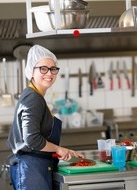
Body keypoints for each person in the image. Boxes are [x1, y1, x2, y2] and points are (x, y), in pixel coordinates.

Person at [7, 45, 83, 190]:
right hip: (31, 170)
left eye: (53, 69)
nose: (49, 73)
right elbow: (32, 139)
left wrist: (61, 151)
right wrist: (58, 149)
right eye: (43, 68)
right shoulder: (33, 98)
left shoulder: (35, 95)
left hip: (35, 167)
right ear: (31, 71)